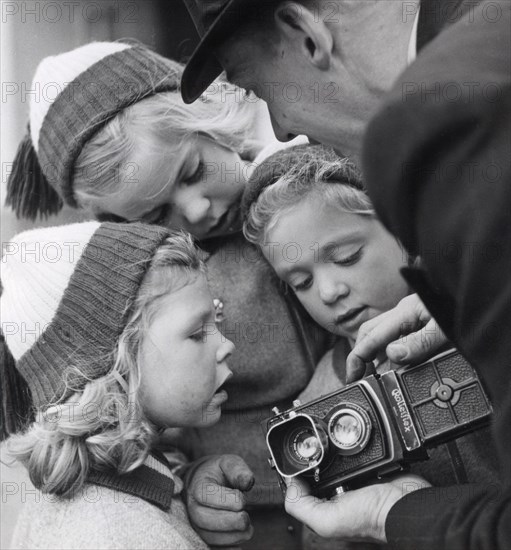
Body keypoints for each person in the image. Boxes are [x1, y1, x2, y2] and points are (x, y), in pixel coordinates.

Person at [181, 0, 511, 546]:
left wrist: (392, 514)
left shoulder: (447, 125)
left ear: (306, 34)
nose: (283, 129)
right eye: (301, 281)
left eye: (263, 93)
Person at [5, 41, 329, 548]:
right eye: (155, 215)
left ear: (208, 117)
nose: (196, 211)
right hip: (260, 519)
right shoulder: (159, 292)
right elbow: (149, 425)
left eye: (193, 171)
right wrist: (193, 478)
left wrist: (345, 360)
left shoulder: (308, 192)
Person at [242, 143, 499, 548]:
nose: (328, 291)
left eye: (346, 256)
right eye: (301, 283)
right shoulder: (316, 410)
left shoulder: (484, 315)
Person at [1, 221, 235, 549]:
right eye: (197, 333)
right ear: (114, 365)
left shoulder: (93, 501)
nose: (226, 346)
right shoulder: (121, 537)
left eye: (217, 320)